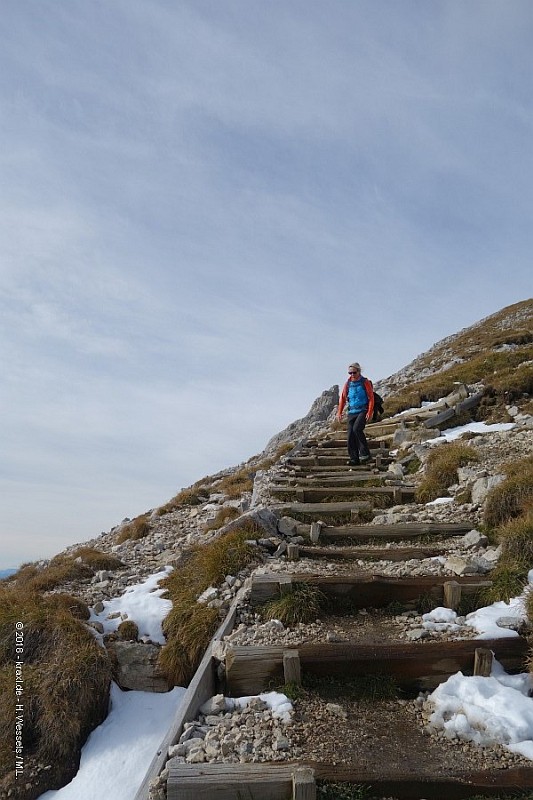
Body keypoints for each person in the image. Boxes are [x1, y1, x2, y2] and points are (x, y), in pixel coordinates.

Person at [337, 362, 375, 466]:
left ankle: (365, 454)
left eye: (354, 372)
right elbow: (343, 398)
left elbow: (371, 397)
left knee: (357, 429)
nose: (352, 375)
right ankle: (354, 458)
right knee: (350, 435)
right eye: (350, 373)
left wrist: (370, 411)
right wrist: (339, 412)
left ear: (359, 371)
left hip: (362, 410)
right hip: (351, 412)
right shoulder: (348, 383)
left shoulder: (365, 382)